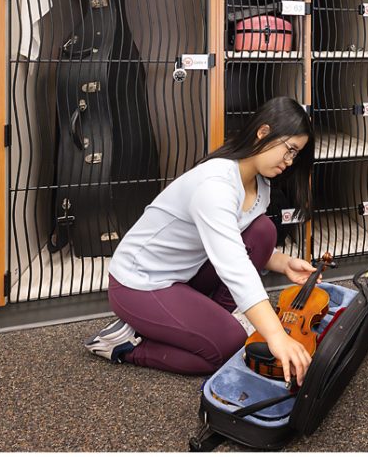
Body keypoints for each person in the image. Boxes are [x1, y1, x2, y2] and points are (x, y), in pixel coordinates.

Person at [83, 96, 317, 384]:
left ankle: (204, 325)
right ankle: (125, 346)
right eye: (289, 150)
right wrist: (277, 337)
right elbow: (234, 265)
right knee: (227, 346)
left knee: (263, 231)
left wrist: (285, 263)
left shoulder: (261, 186)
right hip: (139, 284)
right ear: (263, 132)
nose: (290, 161)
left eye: (296, 155)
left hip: (184, 274)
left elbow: (238, 243)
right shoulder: (215, 186)